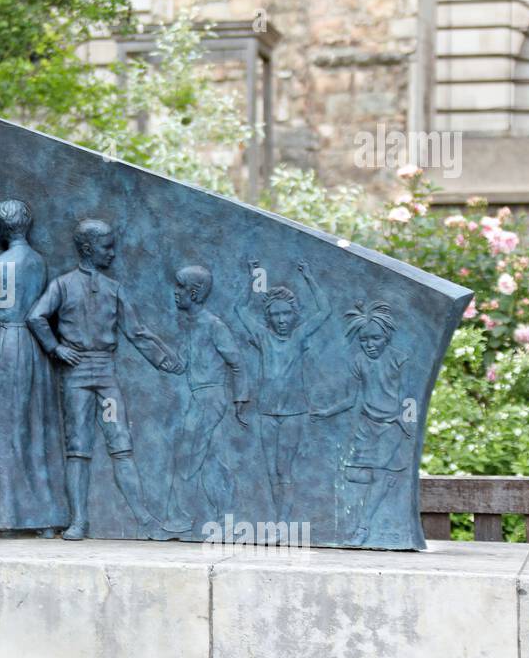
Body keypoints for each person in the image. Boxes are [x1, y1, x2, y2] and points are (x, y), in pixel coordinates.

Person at [27, 218, 185, 541]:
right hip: (76, 375)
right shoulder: (63, 284)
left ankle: (144, 520)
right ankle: (79, 521)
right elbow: (36, 316)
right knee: (78, 449)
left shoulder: (115, 289)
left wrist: (164, 359)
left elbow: (137, 332)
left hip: (105, 374)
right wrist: (55, 348)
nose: (113, 253)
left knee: (121, 443)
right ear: (87, 249)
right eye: (107, 247)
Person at [0, 199, 67, 535]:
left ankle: (4, 513)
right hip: (34, 349)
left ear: (1, 228)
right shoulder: (39, 261)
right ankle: (45, 518)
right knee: (33, 430)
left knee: (2, 429)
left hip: (7, 343)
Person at [235, 259, 330, 520]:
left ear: (294, 314)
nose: (281, 319)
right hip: (267, 411)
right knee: (270, 470)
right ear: (268, 318)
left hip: (293, 412)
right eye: (275, 315)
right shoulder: (263, 337)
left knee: (282, 469)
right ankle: (278, 517)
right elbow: (240, 309)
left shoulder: (300, 336)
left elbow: (325, 310)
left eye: (286, 313)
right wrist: (252, 278)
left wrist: (309, 277)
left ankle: (283, 521)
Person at [311, 300, 413, 546]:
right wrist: (327, 412)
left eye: (375, 338)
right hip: (366, 427)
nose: (370, 345)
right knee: (352, 474)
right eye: (364, 340)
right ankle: (386, 480)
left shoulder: (399, 360)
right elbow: (352, 398)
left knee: (378, 474)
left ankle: (363, 527)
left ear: (386, 337)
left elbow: (410, 396)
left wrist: (406, 422)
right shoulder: (359, 362)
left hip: (390, 427)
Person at [164, 265, 249, 527]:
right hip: (200, 396)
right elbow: (184, 361)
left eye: (180, 287)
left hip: (209, 398)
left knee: (185, 456)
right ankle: (226, 516)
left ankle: (179, 517)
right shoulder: (189, 323)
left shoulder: (213, 325)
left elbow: (237, 362)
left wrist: (240, 400)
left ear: (195, 291)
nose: (176, 292)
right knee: (210, 460)